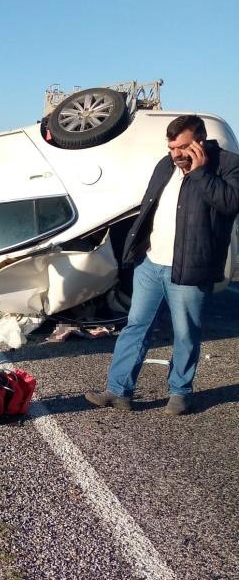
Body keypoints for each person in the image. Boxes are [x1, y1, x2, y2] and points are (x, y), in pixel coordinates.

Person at [86, 115, 239, 415]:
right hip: (151, 263)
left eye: (182, 147)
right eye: (171, 148)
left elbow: (231, 204)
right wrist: (136, 249)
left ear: (201, 140)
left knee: (185, 333)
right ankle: (118, 391)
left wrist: (200, 173)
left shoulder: (228, 165)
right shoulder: (165, 164)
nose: (176, 154)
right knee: (135, 327)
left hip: (191, 269)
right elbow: (149, 205)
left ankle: (180, 393)